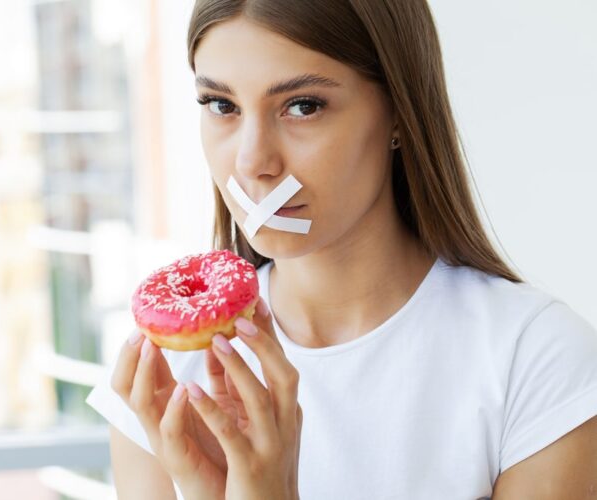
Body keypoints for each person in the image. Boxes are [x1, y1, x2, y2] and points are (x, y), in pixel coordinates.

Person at [87, 1, 597, 498]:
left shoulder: (536, 361)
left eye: (303, 106)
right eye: (222, 105)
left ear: (399, 113)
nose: (251, 161)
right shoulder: (162, 379)